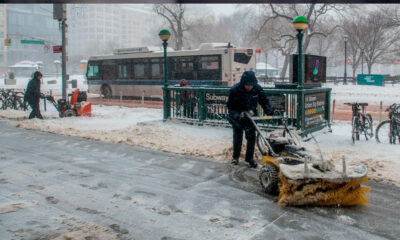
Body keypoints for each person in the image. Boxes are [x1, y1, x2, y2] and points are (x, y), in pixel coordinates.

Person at [227, 71, 273, 168]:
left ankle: (249, 158)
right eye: (247, 85)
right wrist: (237, 115)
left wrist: (268, 109)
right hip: (238, 117)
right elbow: (230, 107)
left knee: (251, 138)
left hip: (251, 117)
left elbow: (264, 100)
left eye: (251, 85)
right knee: (237, 138)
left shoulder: (257, 89)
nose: (249, 87)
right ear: (243, 83)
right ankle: (235, 157)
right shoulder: (235, 90)